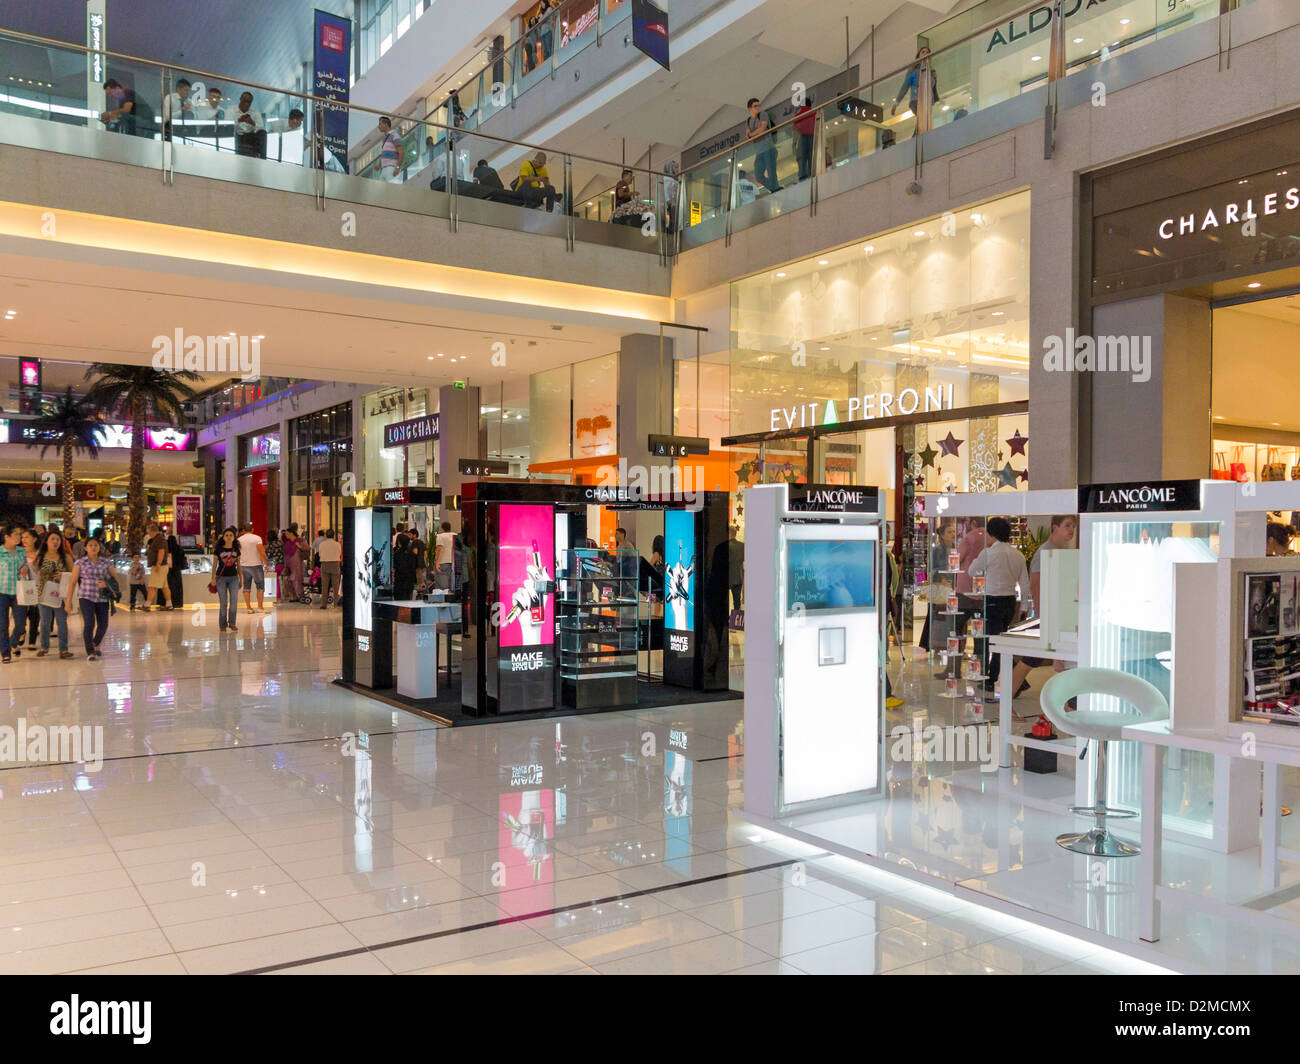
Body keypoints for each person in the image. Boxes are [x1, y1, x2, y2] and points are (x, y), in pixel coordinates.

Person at [1009, 514, 1078, 697]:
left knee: (1040, 660)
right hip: (1049, 616)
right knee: (1033, 660)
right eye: (1067, 525)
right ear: (1055, 527)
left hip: (1059, 614)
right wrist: (1043, 614)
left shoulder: (1063, 550)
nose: (1071, 530)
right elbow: (1036, 585)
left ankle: (1066, 703)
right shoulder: (1045, 551)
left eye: (1073, 526)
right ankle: (1006, 701)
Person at [967, 517, 1030, 699]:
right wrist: (1024, 606)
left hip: (992, 600)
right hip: (1009, 601)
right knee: (1001, 641)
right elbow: (1024, 584)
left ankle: (993, 679)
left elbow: (972, 571)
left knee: (990, 642)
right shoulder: (1017, 555)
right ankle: (1000, 679)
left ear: (990, 533)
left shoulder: (988, 553)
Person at [35, 530, 75, 659]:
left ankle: (63, 649)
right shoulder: (40, 556)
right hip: (43, 593)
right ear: (46, 541)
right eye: (52, 539)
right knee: (45, 621)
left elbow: (74, 574)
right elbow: (34, 571)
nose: (55, 542)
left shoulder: (66, 557)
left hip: (60, 593)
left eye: (58, 539)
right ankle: (44, 647)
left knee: (61, 621)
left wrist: (63, 576)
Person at [74, 536, 113, 661]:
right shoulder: (80, 562)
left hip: (102, 597)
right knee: (89, 624)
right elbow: (72, 582)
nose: (93, 547)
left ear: (99, 547)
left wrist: (107, 584)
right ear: (85, 548)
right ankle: (90, 651)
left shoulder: (106, 562)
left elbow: (116, 579)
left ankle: (95, 643)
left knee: (103, 625)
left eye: (96, 545)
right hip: (86, 596)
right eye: (90, 545)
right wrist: (68, 600)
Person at [891, 46, 940, 138]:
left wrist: (935, 79)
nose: (925, 54)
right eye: (923, 52)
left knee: (923, 122)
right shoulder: (913, 71)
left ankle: (918, 138)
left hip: (927, 101)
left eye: (927, 52)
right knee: (921, 119)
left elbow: (933, 89)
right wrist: (896, 103)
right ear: (918, 56)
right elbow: (905, 86)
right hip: (916, 100)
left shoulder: (931, 71)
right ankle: (916, 139)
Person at [745, 97, 780, 194]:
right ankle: (774, 188)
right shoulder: (748, 121)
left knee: (771, 171)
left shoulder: (763, 114)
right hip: (759, 151)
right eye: (755, 106)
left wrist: (752, 134)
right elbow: (748, 136)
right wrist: (755, 133)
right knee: (758, 175)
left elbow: (763, 129)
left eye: (758, 105)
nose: (757, 108)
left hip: (769, 147)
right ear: (749, 108)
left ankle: (775, 189)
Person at [13, 528, 41, 652]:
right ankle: (21, 632)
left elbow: (43, 571)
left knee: (35, 615)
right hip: (21, 587)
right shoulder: (18, 553)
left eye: (27, 537)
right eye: (22, 537)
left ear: (34, 539)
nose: (24, 540)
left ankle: (32, 641)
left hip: (36, 586)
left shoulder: (40, 554)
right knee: (21, 614)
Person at [0, 524, 24, 664]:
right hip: (1, 592)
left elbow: (25, 564)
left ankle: (11, 643)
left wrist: (26, 566)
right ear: (6, 537)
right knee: (3, 625)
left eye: (19, 534)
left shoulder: (22, 551)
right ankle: (5, 653)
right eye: (16, 534)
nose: (19, 537)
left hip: (18, 592)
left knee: (20, 624)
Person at [212, 526, 241, 630]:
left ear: (234, 537)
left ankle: (232, 623)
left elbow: (239, 565)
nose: (229, 537)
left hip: (234, 577)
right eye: (227, 535)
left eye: (231, 535)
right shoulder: (218, 549)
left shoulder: (236, 550)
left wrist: (241, 578)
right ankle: (222, 624)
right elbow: (214, 565)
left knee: (234, 603)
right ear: (223, 537)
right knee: (223, 603)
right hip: (221, 578)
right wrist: (213, 579)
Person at [237, 522, 267, 613]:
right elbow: (261, 551)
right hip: (256, 565)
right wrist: (266, 563)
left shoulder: (239, 540)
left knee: (246, 587)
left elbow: (237, 554)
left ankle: (249, 608)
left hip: (244, 565)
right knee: (260, 587)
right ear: (252, 529)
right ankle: (260, 607)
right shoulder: (257, 538)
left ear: (243, 530)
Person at [145, 522, 173, 610]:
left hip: (159, 567)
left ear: (153, 531)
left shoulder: (159, 539)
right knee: (165, 586)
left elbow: (161, 551)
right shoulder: (159, 539)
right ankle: (169, 604)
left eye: (149, 532)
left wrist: (158, 563)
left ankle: (147, 605)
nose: (148, 534)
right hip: (163, 566)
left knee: (152, 585)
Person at [233, 91, 267, 158]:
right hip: (237, 136)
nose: (246, 104)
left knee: (263, 133)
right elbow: (228, 126)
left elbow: (261, 128)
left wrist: (252, 123)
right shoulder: (231, 110)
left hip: (250, 136)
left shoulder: (255, 113)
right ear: (240, 99)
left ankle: (262, 158)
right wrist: (239, 121)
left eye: (249, 102)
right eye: (244, 101)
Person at [163, 77, 195, 142]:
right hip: (170, 131)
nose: (188, 93)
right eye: (186, 90)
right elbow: (167, 117)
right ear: (178, 89)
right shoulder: (169, 98)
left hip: (185, 132)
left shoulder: (189, 102)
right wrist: (182, 111)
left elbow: (193, 117)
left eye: (189, 90)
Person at [793, 92, 816, 181]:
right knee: (811, 156)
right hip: (813, 136)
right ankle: (812, 174)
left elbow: (796, 128)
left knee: (802, 157)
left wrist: (794, 143)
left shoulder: (799, 115)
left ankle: (802, 175)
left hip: (803, 137)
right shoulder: (815, 112)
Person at [318, 529, 342, 608]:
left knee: (324, 586)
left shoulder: (322, 544)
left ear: (326, 535)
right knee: (336, 586)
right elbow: (339, 553)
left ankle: (323, 604)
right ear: (334, 535)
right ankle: (336, 604)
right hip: (335, 564)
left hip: (324, 564)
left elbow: (320, 553)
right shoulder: (337, 544)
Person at [376, 116, 404, 182]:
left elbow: (401, 152)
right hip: (384, 169)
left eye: (380, 124)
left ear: (386, 124)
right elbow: (385, 154)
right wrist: (379, 165)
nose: (378, 126)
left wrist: (397, 167)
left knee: (391, 190)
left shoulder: (395, 135)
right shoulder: (385, 139)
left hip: (391, 167)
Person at [392, 530, 417, 600]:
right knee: (408, 599)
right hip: (409, 581)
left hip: (399, 580)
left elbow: (395, 566)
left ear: (399, 542)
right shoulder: (412, 554)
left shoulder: (397, 553)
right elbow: (414, 567)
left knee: (399, 599)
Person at [282, 526, 304, 602]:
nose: (286, 535)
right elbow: (285, 554)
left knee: (296, 580)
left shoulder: (300, 541)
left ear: (291, 533)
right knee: (290, 581)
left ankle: (300, 596)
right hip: (289, 565)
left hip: (297, 564)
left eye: (287, 534)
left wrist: (300, 546)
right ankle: (294, 596)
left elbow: (308, 549)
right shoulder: (287, 543)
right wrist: (285, 565)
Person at [167, 533, 187, 609]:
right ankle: (178, 603)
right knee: (177, 588)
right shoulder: (179, 548)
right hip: (177, 571)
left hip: (168, 571)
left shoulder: (167, 548)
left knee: (169, 587)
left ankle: (168, 603)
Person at [434, 521, 455, 590]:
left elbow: (439, 549)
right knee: (452, 583)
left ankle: (444, 599)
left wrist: (437, 562)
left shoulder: (440, 536)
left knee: (442, 586)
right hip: (453, 562)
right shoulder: (455, 535)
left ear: (442, 528)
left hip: (442, 562)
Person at [727, 524, 744, 610]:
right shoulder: (742, 546)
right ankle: (736, 621)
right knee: (737, 602)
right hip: (738, 577)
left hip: (726, 578)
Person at [662, 160, 680, 234]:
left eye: (678, 167)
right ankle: (670, 232)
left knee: (674, 218)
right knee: (670, 218)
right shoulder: (667, 178)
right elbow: (666, 189)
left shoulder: (674, 178)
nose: (677, 169)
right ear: (671, 168)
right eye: (676, 167)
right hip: (670, 203)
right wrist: (668, 199)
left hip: (674, 202)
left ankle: (673, 232)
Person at [265, 527, 283, 599]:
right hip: (281, 564)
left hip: (274, 565)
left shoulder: (271, 545)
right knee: (277, 580)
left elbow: (269, 556)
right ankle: (278, 596)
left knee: (274, 581)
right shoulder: (280, 542)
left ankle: (277, 597)